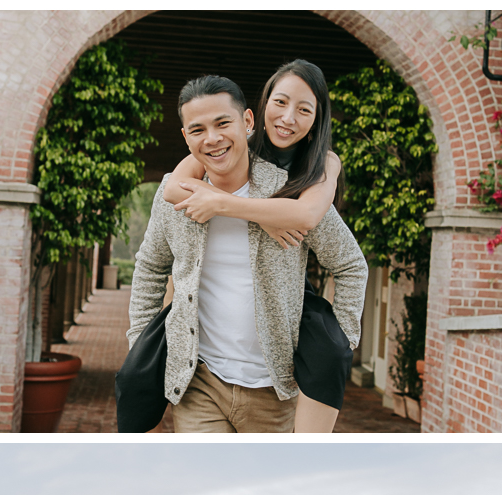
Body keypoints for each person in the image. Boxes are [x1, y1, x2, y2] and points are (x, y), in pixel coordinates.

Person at [128, 74, 367, 433]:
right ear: (186, 137)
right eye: (198, 129)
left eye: (223, 123)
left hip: (273, 390)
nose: (212, 138)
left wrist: (340, 341)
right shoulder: (175, 193)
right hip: (199, 383)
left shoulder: (289, 192)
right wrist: (139, 342)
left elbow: (350, 264)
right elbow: (150, 267)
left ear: (248, 122)